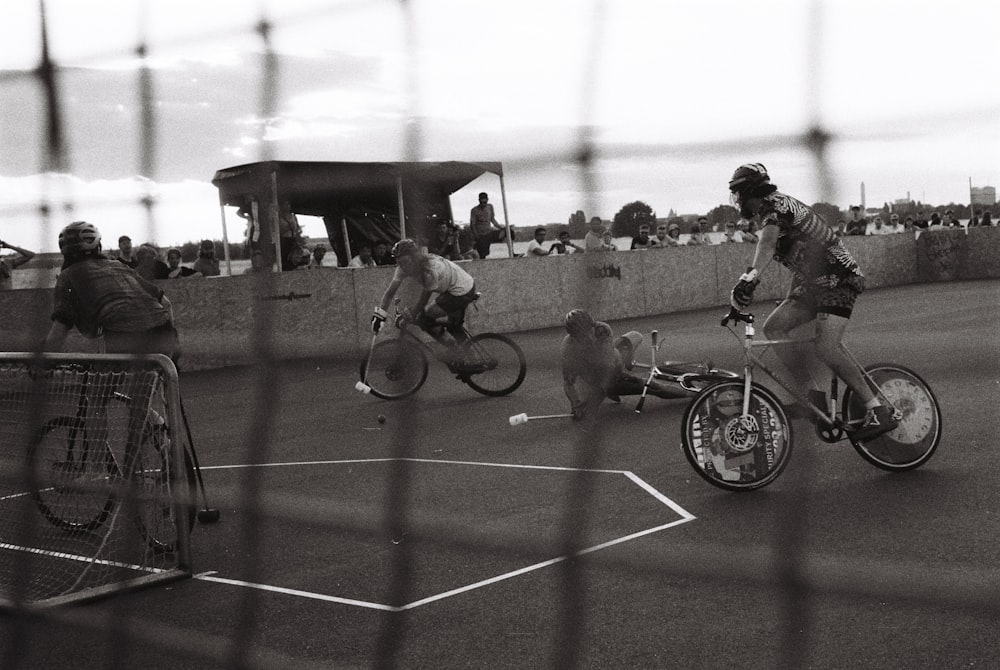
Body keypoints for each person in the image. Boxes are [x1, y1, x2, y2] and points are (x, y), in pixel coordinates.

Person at [726, 162, 897, 441]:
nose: (736, 201)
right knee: (774, 327)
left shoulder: (775, 206)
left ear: (748, 192)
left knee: (826, 347)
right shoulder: (770, 210)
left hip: (839, 278)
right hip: (813, 284)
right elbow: (801, 261)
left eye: (737, 194)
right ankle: (814, 396)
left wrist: (749, 278)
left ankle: (877, 409)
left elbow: (767, 245)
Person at [43, 221, 178, 359]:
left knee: (113, 377)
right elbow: (166, 303)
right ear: (98, 245)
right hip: (163, 332)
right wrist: (172, 338)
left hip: (122, 336)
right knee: (156, 377)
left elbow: (60, 327)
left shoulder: (68, 276)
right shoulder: (118, 265)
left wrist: (43, 364)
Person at [371, 239, 478, 367]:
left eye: (405, 262)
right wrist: (380, 315)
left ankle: (463, 353)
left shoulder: (430, 269)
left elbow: (424, 298)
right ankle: (459, 350)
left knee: (426, 317)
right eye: (399, 263)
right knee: (438, 322)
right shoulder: (402, 268)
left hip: (461, 289)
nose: (403, 267)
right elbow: (390, 293)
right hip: (451, 288)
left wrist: (413, 313)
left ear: (414, 257)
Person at [560, 309, 677, 421]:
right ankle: (692, 395)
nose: (590, 337)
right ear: (574, 337)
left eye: (590, 331)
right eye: (584, 336)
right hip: (610, 379)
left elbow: (608, 365)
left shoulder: (601, 329)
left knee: (636, 335)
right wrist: (575, 404)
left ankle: (628, 361)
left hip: (611, 362)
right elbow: (568, 383)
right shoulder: (568, 350)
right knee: (653, 387)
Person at [469, 192, 507, 259]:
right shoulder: (474, 210)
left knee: (509, 231)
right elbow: (472, 225)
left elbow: (492, 219)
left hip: (489, 232)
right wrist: (477, 237)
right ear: (479, 200)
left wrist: (501, 227)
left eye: (485, 202)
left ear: (487, 200)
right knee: (482, 254)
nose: (484, 204)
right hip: (481, 235)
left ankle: (512, 252)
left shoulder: (490, 207)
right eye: (482, 202)